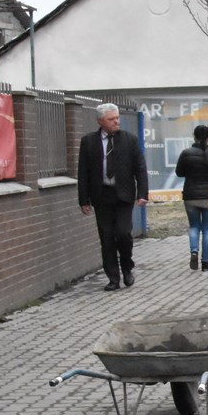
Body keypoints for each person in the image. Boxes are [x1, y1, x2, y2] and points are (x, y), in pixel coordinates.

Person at [77, 103, 149, 291]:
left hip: (124, 196)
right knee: (107, 238)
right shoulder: (88, 142)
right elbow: (83, 172)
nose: (116, 121)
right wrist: (84, 199)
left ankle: (127, 268)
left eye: (117, 118)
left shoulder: (129, 140)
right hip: (102, 196)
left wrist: (142, 193)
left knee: (124, 234)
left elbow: (140, 168)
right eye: (111, 119)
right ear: (100, 121)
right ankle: (113, 278)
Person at [176, 125, 208, 272]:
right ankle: (205, 263)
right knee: (207, 229)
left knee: (194, 226)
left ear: (194, 137)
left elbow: (179, 172)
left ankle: (194, 251)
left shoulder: (185, 154)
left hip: (191, 196)